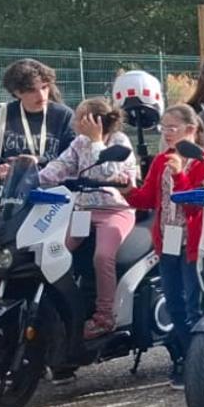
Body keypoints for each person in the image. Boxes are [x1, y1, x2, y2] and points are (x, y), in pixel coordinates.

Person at [124, 104, 204, 388]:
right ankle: (184, 357)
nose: (166, 134)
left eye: (172, 128)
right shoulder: (160, 161)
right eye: (163, 128)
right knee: (174, 303)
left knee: (193, 303)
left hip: (193, 243)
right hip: (167, 242)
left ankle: (201, 364)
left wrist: (179, 174)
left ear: (191, 130)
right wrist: (127, 191)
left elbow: (195, 202)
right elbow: (147, 199)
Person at [37, 98, 139, 339]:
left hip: (115, 211)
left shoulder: (118, 142)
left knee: (103, 256)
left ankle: (104, 317)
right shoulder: (78, 143)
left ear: (94, 121)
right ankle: (54, 309)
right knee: (53, 252)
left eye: (80, 116)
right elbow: (60, 167)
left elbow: (109, 172)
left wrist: (95, 141)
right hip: (83, 210)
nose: (74, 121)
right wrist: (31, 178)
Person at [0, 59, 76, 179]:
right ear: (17, 92)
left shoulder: (64, 115)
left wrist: (38, 160)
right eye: (32, 90)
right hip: (10, 192)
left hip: (53, 192)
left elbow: (73, 159)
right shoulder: (2, 114)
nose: (41, 95)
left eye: (44, 87)